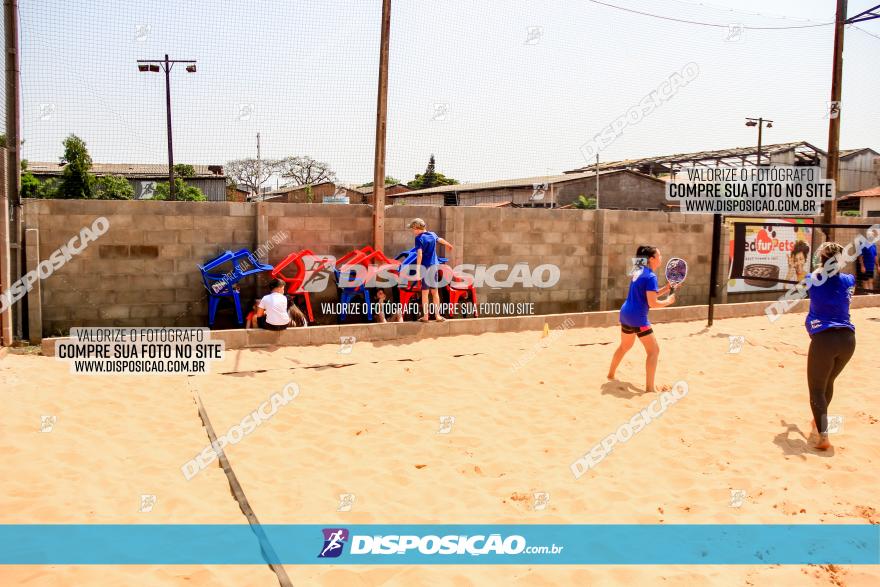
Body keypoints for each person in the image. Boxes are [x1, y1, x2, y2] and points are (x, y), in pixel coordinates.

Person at [805, 242, 856, 451]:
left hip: (825, 339)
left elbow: (816, 275)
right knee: (828, 382)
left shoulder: (813, 279)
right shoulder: (849, 280)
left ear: (822, 261)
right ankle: (819, 421)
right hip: (848, 340)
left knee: (816, 389)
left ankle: (824, 436)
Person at [607, 245, 678, 393]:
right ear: (652, 259)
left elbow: (646, 294)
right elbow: (652, 303)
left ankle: (611, 374)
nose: (661, 258)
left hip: (625, 313)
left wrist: (666, 288)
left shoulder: (638, 269)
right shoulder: (651, 276)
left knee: (625, 346)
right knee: (654, 351)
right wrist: (668, 301)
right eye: (659, 255)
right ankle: (650, 388)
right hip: (637, 318)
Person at [409, 218, 454, 322]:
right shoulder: (432, 234)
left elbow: (419, 254)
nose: (412, 231)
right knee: (435, 292)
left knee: (425, 293)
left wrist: (418, 269)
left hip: (425, 267)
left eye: (413, 229)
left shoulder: (418, 238)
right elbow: (440, 239)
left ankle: (426, 316)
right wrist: (448, 244)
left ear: (417, 228)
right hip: (434, 266)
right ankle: (437, 316)